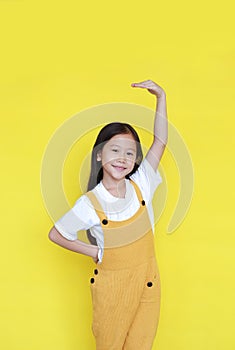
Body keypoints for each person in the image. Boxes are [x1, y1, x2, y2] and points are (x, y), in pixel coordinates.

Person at [48, 79, 168, 350]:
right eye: (115, 150)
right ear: (99, 155)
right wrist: (96, 252)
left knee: (141, 345)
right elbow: (56, 234)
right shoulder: (90, 202)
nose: (123, 158)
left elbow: (160, 141)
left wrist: (161, 96)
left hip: (149, 280)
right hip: (112, 288)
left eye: (130, 153)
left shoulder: (142, 183)